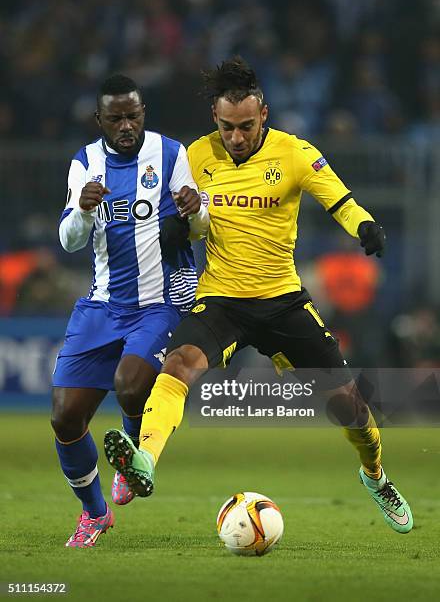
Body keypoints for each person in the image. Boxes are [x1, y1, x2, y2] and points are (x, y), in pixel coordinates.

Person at [104, 58, 413, 534]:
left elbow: (340, 201)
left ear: (263, 115)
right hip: (221, 299)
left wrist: (365, 226)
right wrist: (174, 229)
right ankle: (143, 459)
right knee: (179, 364)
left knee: (351, 410)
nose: (236, 137)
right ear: (215, 118)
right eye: (227, 127)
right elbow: (179, 221)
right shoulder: (195, 157)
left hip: (283, 301)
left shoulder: (294, 153)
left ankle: (374, 474)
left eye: (246, 126)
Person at [52, 74, 209, 548]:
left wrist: (194, 209)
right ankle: (95, 514)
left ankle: (133, 457)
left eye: (133, 115)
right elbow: (68, 240)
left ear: (144, 113)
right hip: (101, 306)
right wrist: (80, 210)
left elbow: (200, 229)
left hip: (157, 305)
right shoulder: (84, 163)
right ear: (99, 120)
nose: (126, 125)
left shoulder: (170, 154)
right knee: (64, 418)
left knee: (129, 384)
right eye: (116, 117)